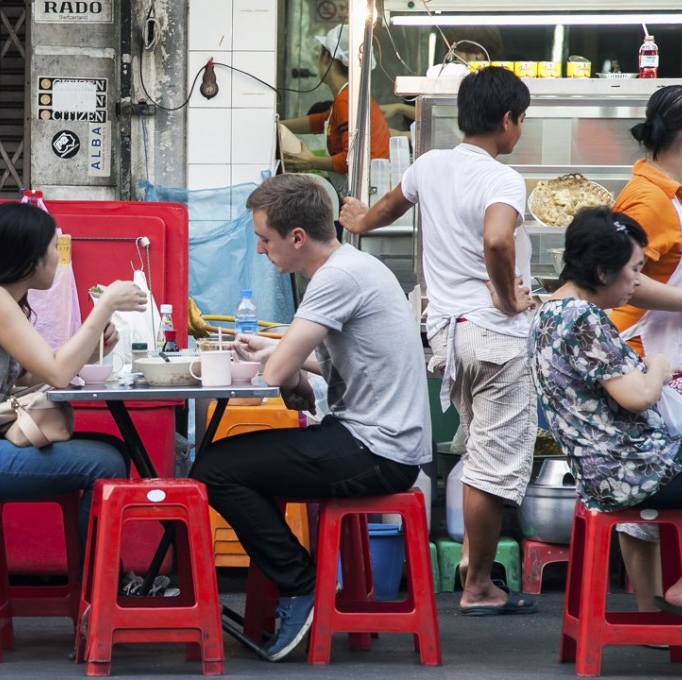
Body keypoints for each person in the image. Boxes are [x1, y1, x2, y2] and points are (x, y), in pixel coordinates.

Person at [190, 173, 431, 661]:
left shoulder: (336, 277)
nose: (260, 250)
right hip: (375, 440)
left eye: (264, 239)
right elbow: (328, 365)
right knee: (222, 464)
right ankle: (296, 584)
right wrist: (277, 354)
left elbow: (277, 373)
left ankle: (301, 586)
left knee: (215, 468)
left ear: (297, 237)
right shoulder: (352, 266)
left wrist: (272, 357)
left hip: (377, 448)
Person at [340, 66, 537, 616]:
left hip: (449, 336)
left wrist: (355, 216)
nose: (519, 132)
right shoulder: (502, 179)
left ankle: (475, 576)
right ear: (506, 120)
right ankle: (476, 586)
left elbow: (379, 215)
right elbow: (498, 239)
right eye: (521, 121)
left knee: (477, 455)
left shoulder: (428, 166)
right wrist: (505, 296)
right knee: (491, 466)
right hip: (494, 335)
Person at [0, 202, 147, 541]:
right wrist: (105, 304)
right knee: (104, 462)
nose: (58, 256)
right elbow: (57, 375)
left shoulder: (0, 298)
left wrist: (95, 351)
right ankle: (100, 585)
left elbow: (29, 376)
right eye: (53, 247)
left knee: (114, 450)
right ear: (34, 258)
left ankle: (100, 580)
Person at [530, 206, 682, 617]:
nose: (637, 281)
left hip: (603, 472)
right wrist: (658, 367)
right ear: (601, 273)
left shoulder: (548, 312)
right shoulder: (584, 318)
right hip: (635, 471)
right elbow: (637, 396)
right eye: (634, 269)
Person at [606, 84, 682, 613]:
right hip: (644, 350)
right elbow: (621, 279)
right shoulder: (648, 198)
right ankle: (653, 605)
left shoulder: (669, 190)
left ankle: (651, 609)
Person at [279, 24, 391, 181]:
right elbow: (322, 121)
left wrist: (311, 162)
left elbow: (351, 158)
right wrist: (278, 125)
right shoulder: (347, 97)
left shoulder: (347, 100)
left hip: (368, 183)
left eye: (319, 56)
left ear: (327, 58)